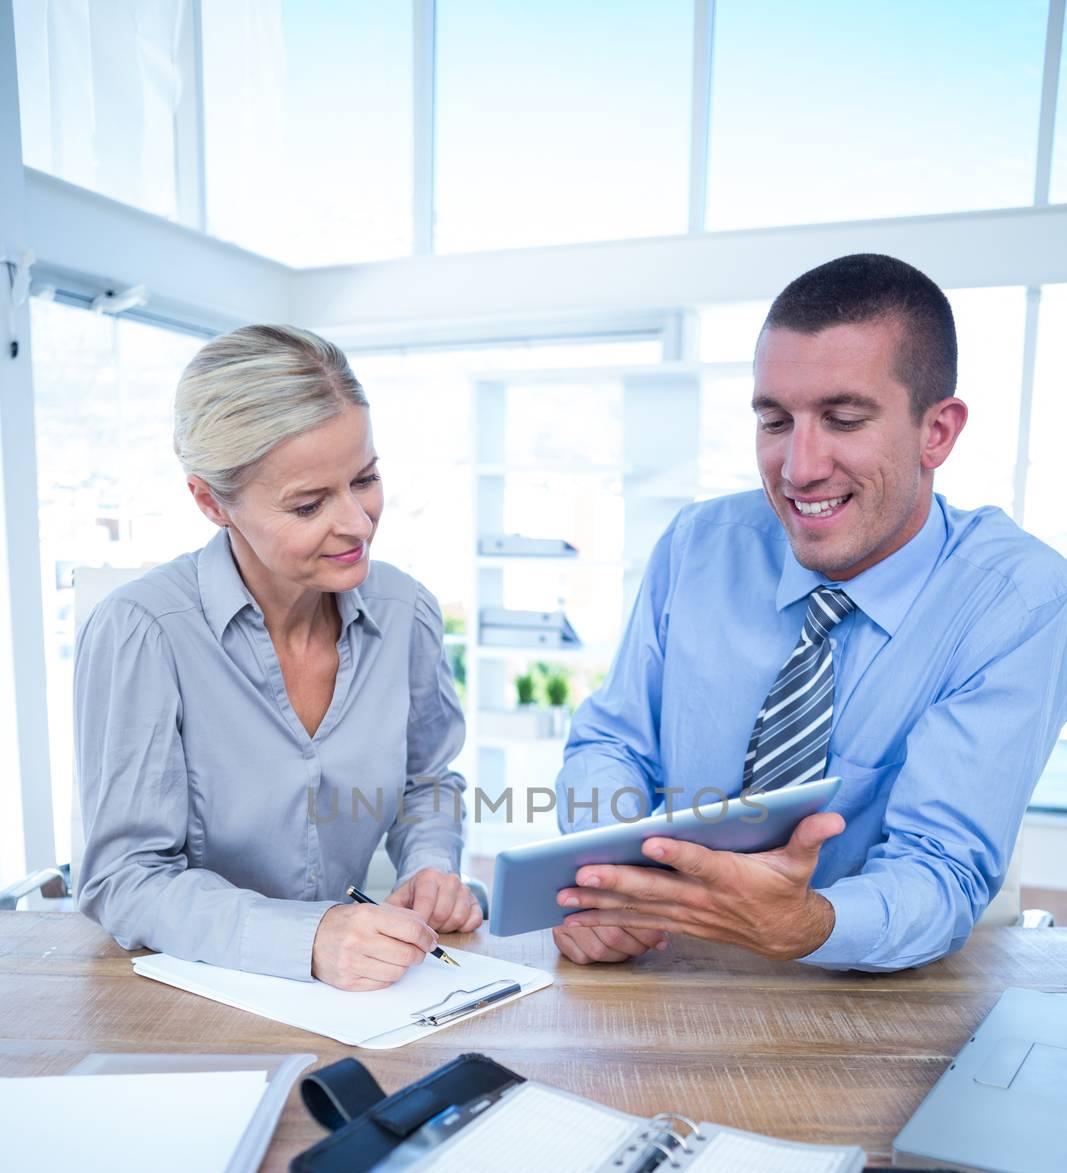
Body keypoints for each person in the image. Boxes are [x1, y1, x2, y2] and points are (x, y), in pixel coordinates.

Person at [553, 253, 1067, 972]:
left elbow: (942, 868)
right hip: (676, 965)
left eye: (843, 419)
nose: (798, 468)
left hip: (867, 995)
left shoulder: (1016, 599)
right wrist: (607, 880)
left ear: (937, 433)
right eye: (774, 420)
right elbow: (613, 743)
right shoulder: (699, 547)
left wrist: (810, 923)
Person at [75, 324, 481, 990]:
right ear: (210, 501)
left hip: (369, 998)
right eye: (309, 503)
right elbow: (123, 879)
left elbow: (426, 781)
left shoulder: (406, 611)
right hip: (191, 999)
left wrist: (429, 869)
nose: (355, 522)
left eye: (365, 478)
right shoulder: (142, 631)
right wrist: (307, 938)